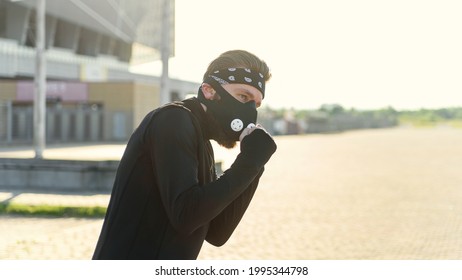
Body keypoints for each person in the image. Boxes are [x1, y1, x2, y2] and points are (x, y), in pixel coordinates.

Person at [92, 50, 277, 260]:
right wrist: (249, 162)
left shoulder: (201, 140)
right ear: (209, 90)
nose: (250, 111)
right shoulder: (173, 120)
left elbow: (218, 232)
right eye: (243, 97)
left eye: (256, 104)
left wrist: (255, 162)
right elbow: (186, 216)